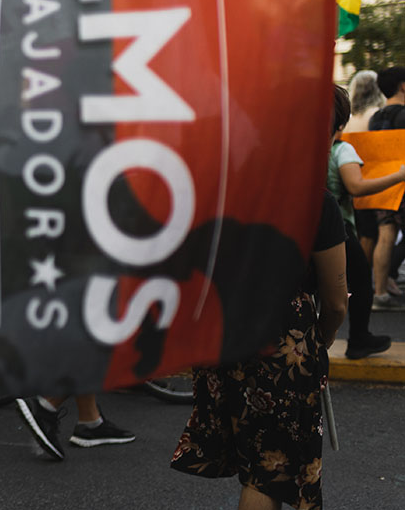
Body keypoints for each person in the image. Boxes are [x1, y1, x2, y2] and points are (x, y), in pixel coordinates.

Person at [170, 186, 348, 509]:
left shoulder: (221, 187)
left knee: (255, 463)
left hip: (221, 330)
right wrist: (323, 337)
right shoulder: (313, 201)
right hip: (280, 343)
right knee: (267, 473)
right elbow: (336, 303)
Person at [329, 84, 400, 359]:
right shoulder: (342, 149)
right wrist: (399, 175)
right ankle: (359, 339)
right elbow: (355, 186)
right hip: (338, 228)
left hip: (309, 225)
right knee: (359, 284)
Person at [365, 66, 405, 308]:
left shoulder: (375, 117)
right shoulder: (403, 115)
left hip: (381, 184)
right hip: (401, 183)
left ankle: (380, 290)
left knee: (386, 233)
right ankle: (387, 279)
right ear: (403, 86)